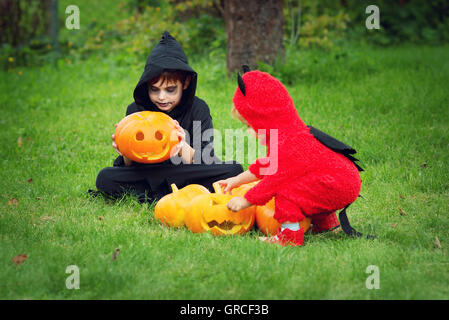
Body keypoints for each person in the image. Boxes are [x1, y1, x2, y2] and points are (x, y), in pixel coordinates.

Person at [216, 69, 362, 246]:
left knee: (287, 191)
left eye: (250, 125)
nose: (249, 131)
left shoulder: (288, 142)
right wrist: (236, 180)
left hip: (338, 183)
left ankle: (289, 237)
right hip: (342, 179)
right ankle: (328, 225)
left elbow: (273, 181)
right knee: (309, 183)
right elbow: (268, 166)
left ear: (264, 118)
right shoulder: (289, 132)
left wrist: (245, 200)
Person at [94, 31, 243, 203]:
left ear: (185, 83)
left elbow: (207, 160)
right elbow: (130, 167)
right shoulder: (136, 111)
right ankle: (179, 194)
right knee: (105, 177)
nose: (162, 97)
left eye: (170, 89)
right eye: (154, 89)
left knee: (234, 170)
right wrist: (125, 151)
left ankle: (155, 195)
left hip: (186, 172)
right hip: (147, 173)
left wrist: (181, 146)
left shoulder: (198, 109)